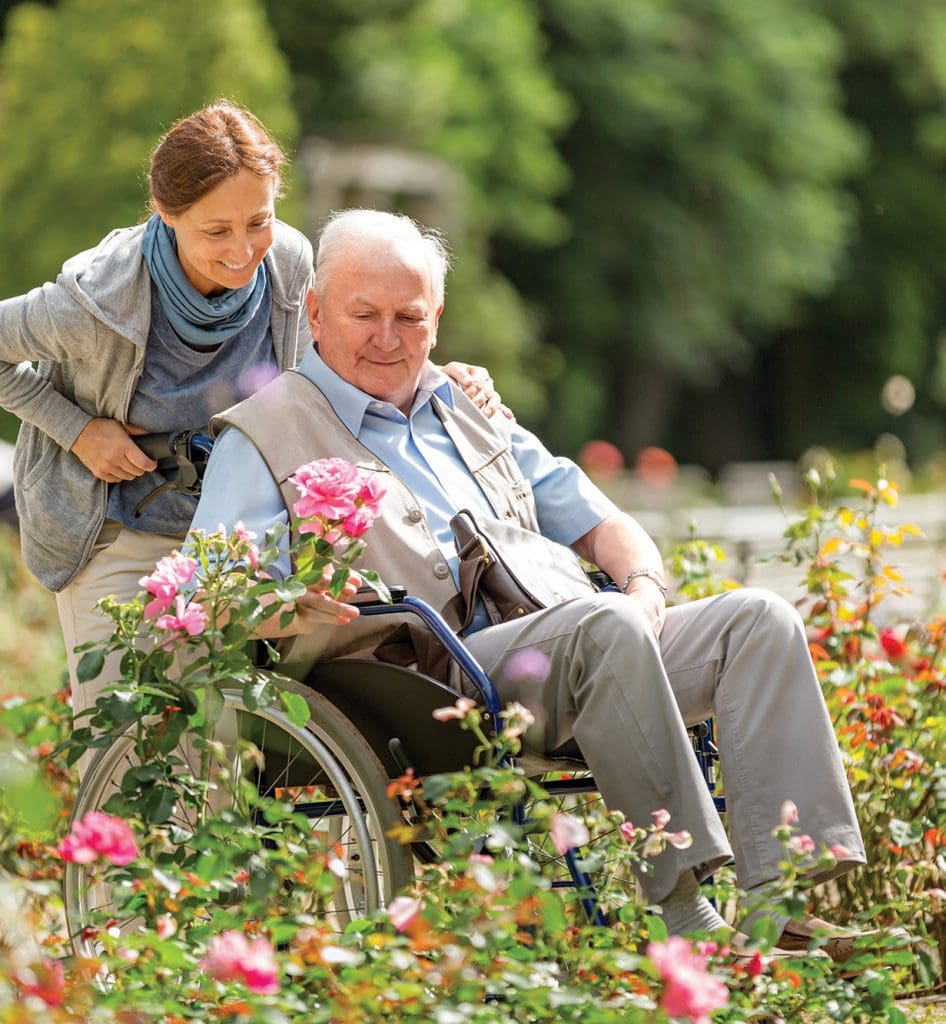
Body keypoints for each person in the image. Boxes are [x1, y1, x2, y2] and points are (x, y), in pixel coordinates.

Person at [192, 208, 876, 960]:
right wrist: (291, 603)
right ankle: (684, 915)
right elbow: (214, 595)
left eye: (409, 317)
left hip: (563, 654)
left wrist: (645, 584)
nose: (387, 337)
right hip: (418, 687)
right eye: (364, 315)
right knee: (604, 626)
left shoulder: (469, 409)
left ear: (437, 318)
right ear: (317, 311)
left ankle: (782, 905)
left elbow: (603, 521)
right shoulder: (264, 434)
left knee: (757, 620)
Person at [0, 102, 503, 724]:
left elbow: (337, 361)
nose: (243, 253)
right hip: (120, 530)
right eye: (216, 232)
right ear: (166, 214)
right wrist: (77, 431)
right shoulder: (97, 300)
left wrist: (439, 378)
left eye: (257, 222)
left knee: (242, 745)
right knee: (136, 739)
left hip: (241, 532)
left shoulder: (288, 261)